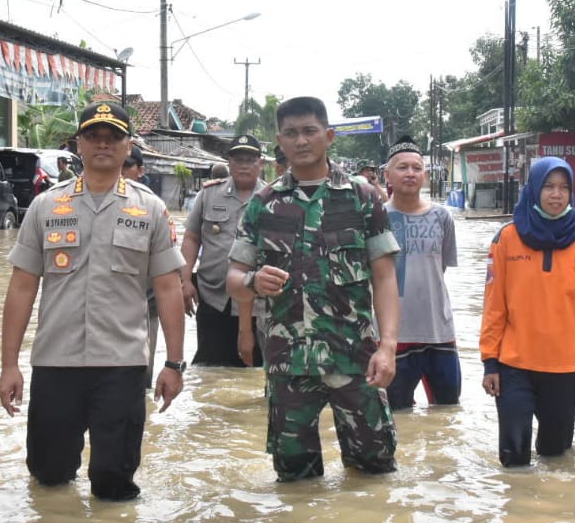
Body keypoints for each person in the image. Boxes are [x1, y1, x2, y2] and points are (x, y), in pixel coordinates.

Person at [0, 102, 186, 500]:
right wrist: (9, 365)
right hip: (55, 363)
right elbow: (21, 287)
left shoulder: (150, 208)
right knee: (49, 479)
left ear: (128, 145)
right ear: (77, 144)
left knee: (114, 484)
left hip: (122, 365)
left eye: (113, 137)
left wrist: (173, 363)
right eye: (93, 137)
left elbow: (169, 289)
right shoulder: (46, 206)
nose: (103, 144)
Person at [227, 96, 401, 481]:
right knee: (294, 481)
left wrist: (387, 347)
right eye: (291, 133)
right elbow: (234, 281)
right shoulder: (264, 204)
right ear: (280, 141)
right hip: (289, 364)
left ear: (329, 136)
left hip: (356, 359)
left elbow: (385, 277)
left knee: (374, 473)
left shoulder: (363, 197)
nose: (301, 141)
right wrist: (254, 282)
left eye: (309, 131)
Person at [481, 156, 575, 467]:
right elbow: (494, 305)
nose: (556, 194)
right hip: (513, 366)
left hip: (565, 369)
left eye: (563, 187)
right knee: (513, 459)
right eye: (548, 186)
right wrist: (490, 362)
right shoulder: (507, 237)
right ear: (534, 189)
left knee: (556, 456)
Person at [381, 136, 461, 411]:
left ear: (425, 175)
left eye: (417, 168)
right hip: (394, 337)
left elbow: (440, 270)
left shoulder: (442, 217)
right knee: (396, 415)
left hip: (439, 333)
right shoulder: (376, 218)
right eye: (402, 167)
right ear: (387, 174)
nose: (410, 174)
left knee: (447, 412)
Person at [182, 134, 268, 367]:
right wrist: (185, 280)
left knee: (256, 368)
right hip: (213, 297)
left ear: (260, 163)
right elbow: (191, 237)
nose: (243, 165)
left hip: (259, 303)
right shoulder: (208, 194)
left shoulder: (273, 199)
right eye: (237, 159)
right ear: (229, 162)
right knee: (210, 368)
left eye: (250, 159)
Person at [122, 144, 163, 383]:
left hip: (146, 307)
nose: (121, 171)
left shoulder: (153, 208)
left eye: (127, 166)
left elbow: (166, 273)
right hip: (103, 312)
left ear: (140, 171)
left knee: (141, 380)